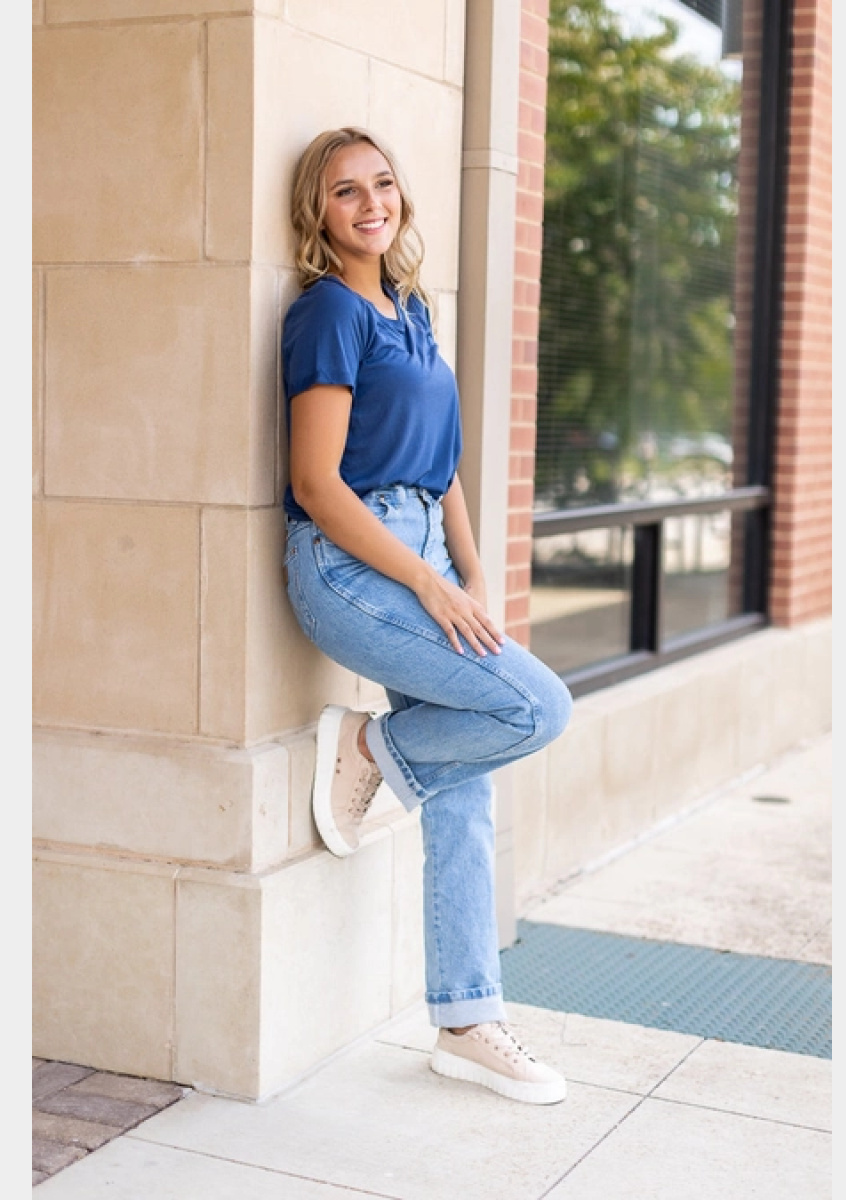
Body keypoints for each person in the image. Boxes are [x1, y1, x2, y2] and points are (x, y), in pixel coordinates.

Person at [281, 127, 573, 1106]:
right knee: (535, 710)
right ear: (317, 215)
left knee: (469, 784)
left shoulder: (412, 309)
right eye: (345, 191)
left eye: (384, 183)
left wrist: (472, 576)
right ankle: (366, 744)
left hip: (428, 555)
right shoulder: (327, 312)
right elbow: (319, 486)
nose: (371, 203)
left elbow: (443, 465)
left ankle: (463, 1021)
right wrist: (430, 584)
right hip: (349, 562)